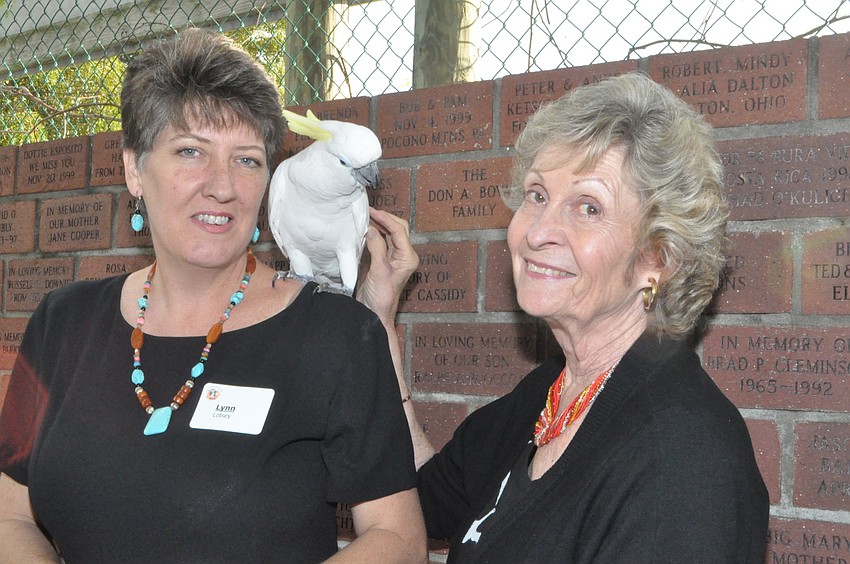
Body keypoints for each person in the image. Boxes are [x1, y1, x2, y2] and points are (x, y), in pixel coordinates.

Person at [0, 28, 426, 563]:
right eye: (190, 151)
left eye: (247, 159)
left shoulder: (338, 334)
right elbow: (10, 514)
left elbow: (398, 539)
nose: (222, 186)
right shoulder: (61, 323)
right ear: (135, 168)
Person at [365, 72, 769, 562]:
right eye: (537, 195)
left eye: (588, 207)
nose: (538, 232)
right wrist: (379, 318)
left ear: (657, 258)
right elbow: (424, 498)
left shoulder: (681, 460)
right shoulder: (548, 396)